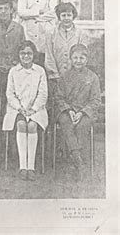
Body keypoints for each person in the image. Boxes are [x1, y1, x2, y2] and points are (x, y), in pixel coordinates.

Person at [53, 44, 101, 181]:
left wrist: (82, 112)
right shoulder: (64, 76)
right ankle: (78, 160)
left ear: (87, 59)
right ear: (70, 59)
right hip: (66, 111)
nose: (78, 61)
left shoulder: (93, 77)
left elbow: (95, 100)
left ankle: (75, 160)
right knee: (66, 123)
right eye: (75, 57)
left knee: (81, 126)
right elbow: (58, 97)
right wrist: (68, 110)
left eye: (81, 58)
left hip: (85, 112)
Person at [3, 41, 48, 181]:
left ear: (33, 55)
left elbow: (43, 94)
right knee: (21, 125)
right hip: (17, 109)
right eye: (23, 53)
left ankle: (31, 167)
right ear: (19, 55)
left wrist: (33, 108)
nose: (26, 56)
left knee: (32, 125)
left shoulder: (40, 71)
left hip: (37, 108)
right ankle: (23, 166)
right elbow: (10, 94)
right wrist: (20, 108)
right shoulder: (13, 71)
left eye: (29, 53)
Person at [17, 0, 57, 65]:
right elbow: (21, 12)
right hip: (29, 31)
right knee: (30, 56)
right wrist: (38, 12)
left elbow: (53, 12)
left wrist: (36, 18)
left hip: (44, 31)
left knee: (44, 59)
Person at [45, 2, 86, 81]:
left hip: (75, 77)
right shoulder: (51, 33)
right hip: (56, 78)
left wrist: (76, 74)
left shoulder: (80, 33)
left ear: (73, 16)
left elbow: (82, 55)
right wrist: (55, 75)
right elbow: (49, 56)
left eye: (69, 15)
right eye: (63, 15)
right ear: (59, 17)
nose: (66, 18)